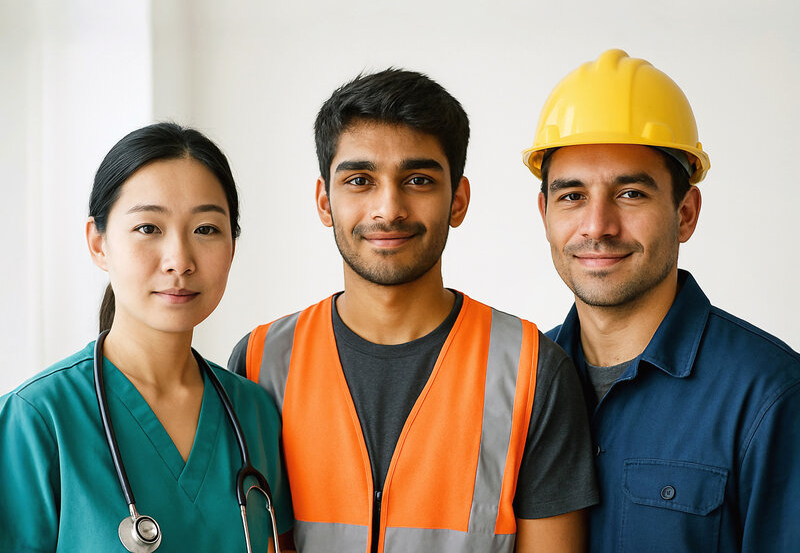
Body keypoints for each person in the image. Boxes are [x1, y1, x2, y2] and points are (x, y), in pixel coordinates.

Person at [229, 69, 598, 553]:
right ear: (325, 201)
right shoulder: (260, 362)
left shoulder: (533, 369)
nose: (389, 208)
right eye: (360, 180)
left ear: (458, 201)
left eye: (418, 180)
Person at [523, 49, 800, 552]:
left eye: (631, 193)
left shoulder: (771, 396)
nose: (597, 226)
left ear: (686, 212)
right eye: (572, 195)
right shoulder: (519, 381)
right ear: (544, 213)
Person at [0, 123, 293, 552]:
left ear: (232, 245)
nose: (179, 260)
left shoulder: (254, 414)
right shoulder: (36, 421)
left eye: (206, 229)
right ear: (99, 244)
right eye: (148, 228)